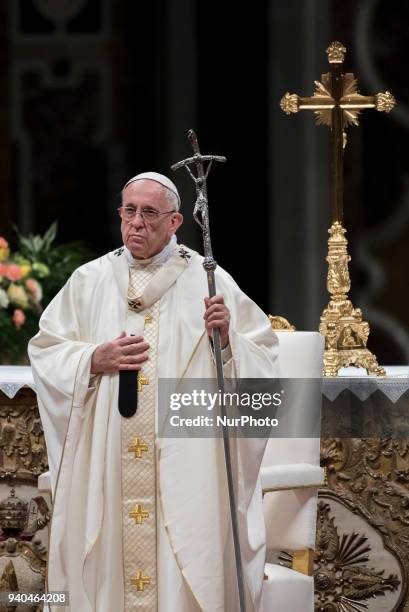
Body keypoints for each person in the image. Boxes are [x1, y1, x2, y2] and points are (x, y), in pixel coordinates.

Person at [28, 172, 278, 612]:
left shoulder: (208, 280)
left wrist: (227, 341)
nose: (136, 223)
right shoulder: (90, 280)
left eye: (149, 213)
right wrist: (92, 359)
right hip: (107, 454)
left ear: (176, 221)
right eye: (129, 211)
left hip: (185, 454)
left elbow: (263, 363)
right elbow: (46, 351)